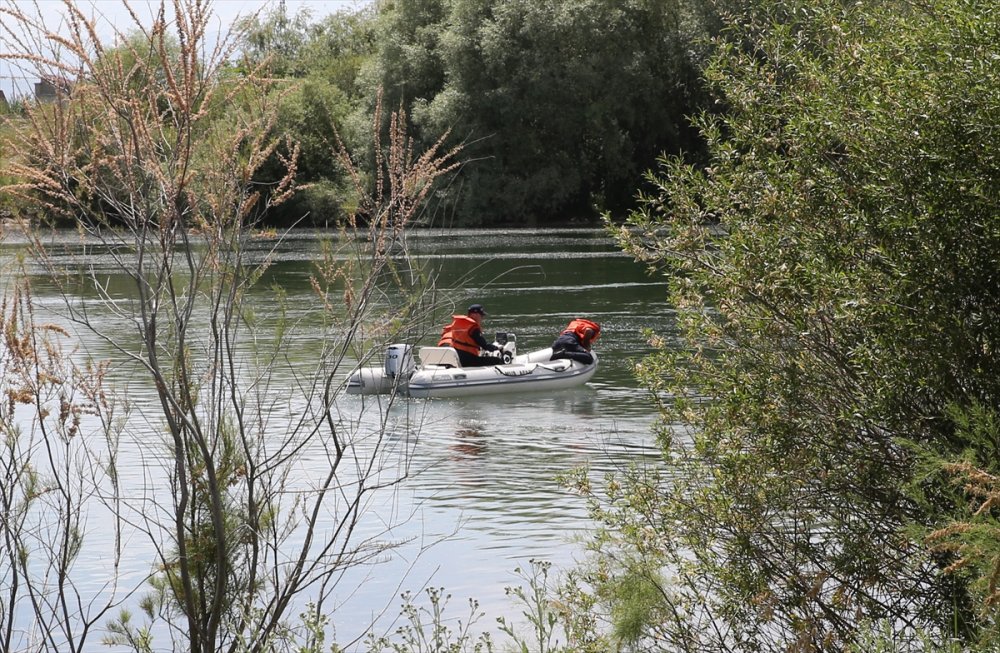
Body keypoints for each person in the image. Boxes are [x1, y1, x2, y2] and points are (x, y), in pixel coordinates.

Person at [438, 304, 502, 367]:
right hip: (468, 361)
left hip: (455, 357)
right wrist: (497, 348)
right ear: (475, 314)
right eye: (481, 316)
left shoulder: (456, 324)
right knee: (496, 360)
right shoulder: (473, 328)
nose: (482, 318)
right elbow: (485, 346)